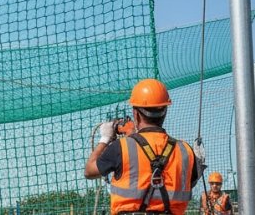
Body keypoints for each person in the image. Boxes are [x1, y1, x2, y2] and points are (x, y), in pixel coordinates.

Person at [84, 78, 200, 214]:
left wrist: (105, 139)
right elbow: (188, 183)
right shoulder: (185, 150)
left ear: (135, 114)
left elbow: (89, 171)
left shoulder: (121, 147)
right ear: (165, 111)